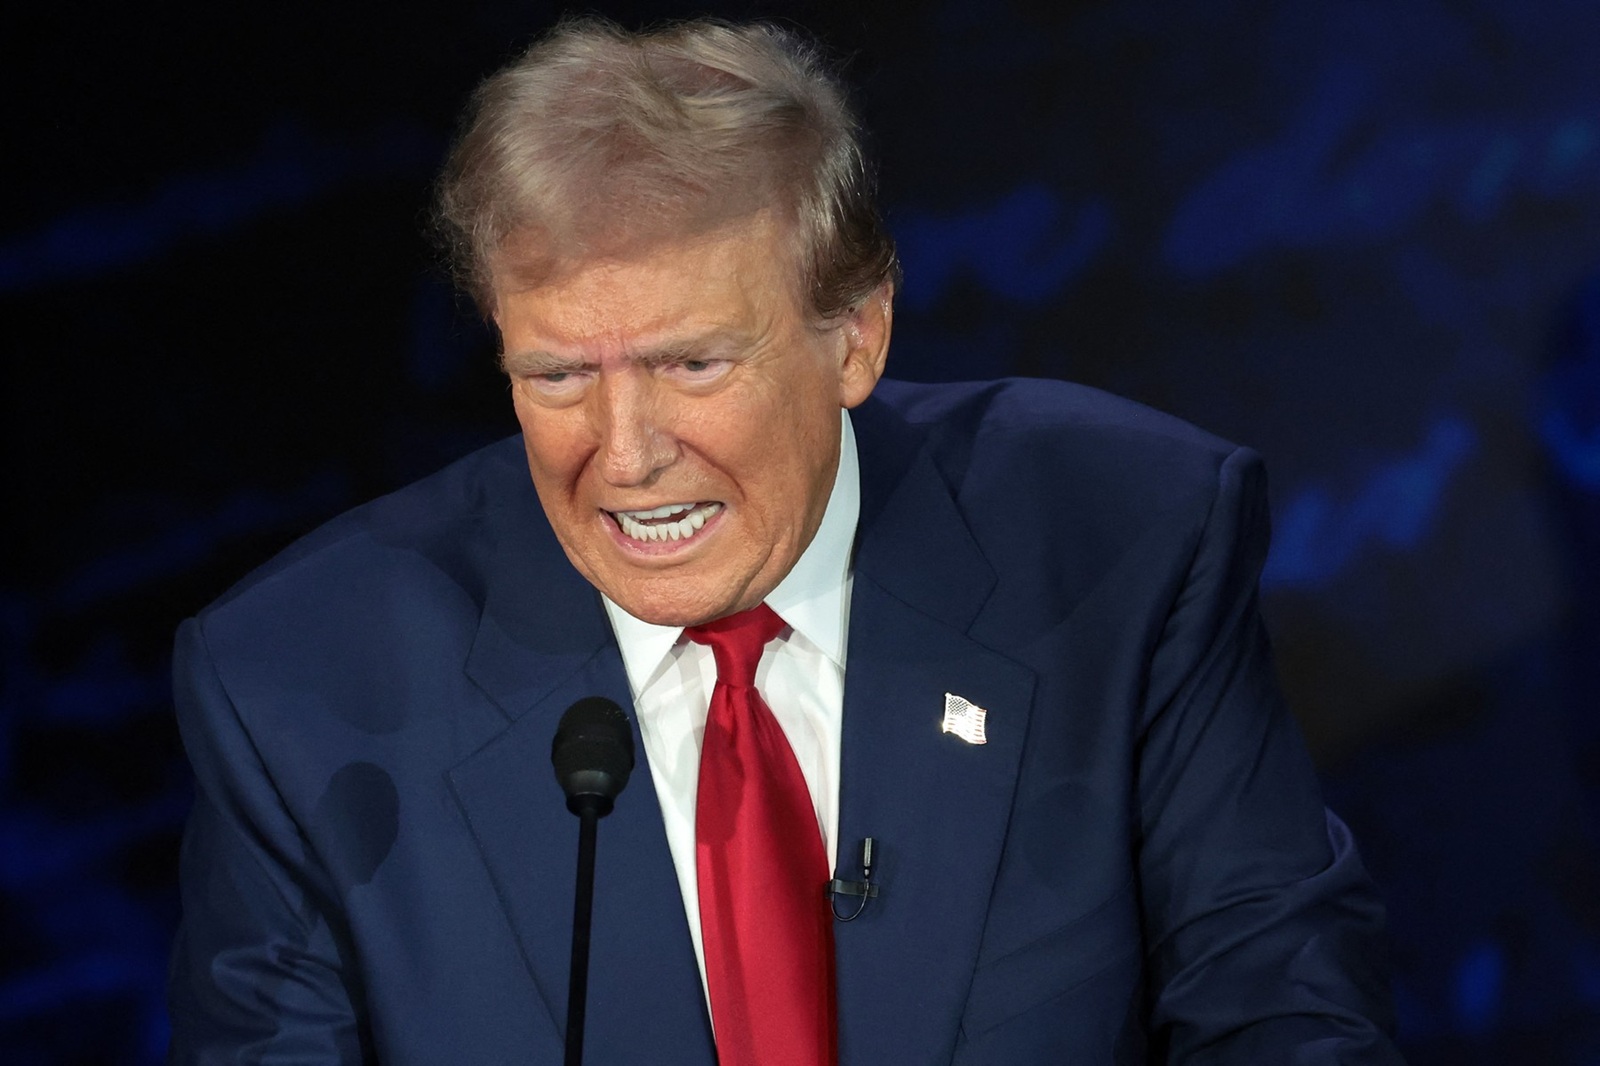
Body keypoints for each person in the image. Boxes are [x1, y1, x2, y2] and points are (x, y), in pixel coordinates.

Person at [166, 17, 1404, 1065]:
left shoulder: (1120, 545)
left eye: (691, 363)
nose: (626, 449)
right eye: (555, 375)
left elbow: (1283, 1013)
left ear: (855, 337)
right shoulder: (303, 690)